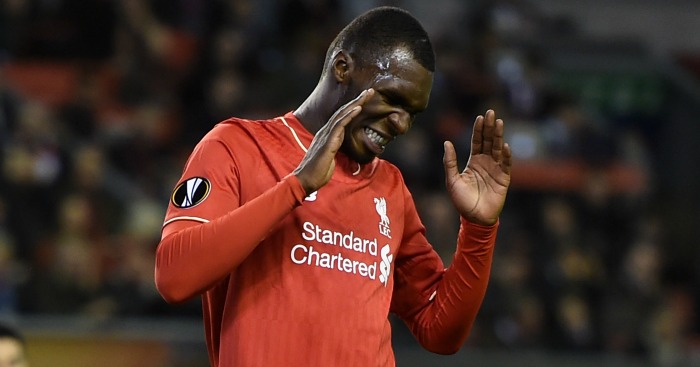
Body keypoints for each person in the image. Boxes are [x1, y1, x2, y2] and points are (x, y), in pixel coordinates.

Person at [154, 6, 512, 367]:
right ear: (342, 69)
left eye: (412, 113)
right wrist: (297, 186)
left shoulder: (389, 187)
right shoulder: (237, 146)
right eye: (392, 99)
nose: (402, 124)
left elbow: (440, 331)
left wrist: (480, 229)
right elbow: (175, 277)